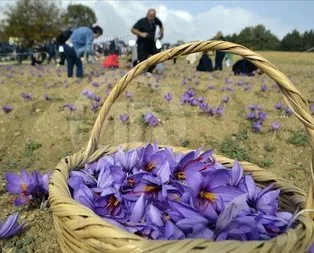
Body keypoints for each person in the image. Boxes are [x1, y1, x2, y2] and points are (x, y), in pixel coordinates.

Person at [131, 8, 164, 75]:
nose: (152, 17)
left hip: (152, 43)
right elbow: (133, 29)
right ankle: (140, 72)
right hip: (142, 44)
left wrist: (161, 33)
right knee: (142, 60)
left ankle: (149, 71)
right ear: (147, 15)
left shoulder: (155, 20)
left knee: (156, 57)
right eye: (150, 16)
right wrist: (141, 34)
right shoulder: (142, 21)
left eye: (153, 16)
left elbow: (161, 25)